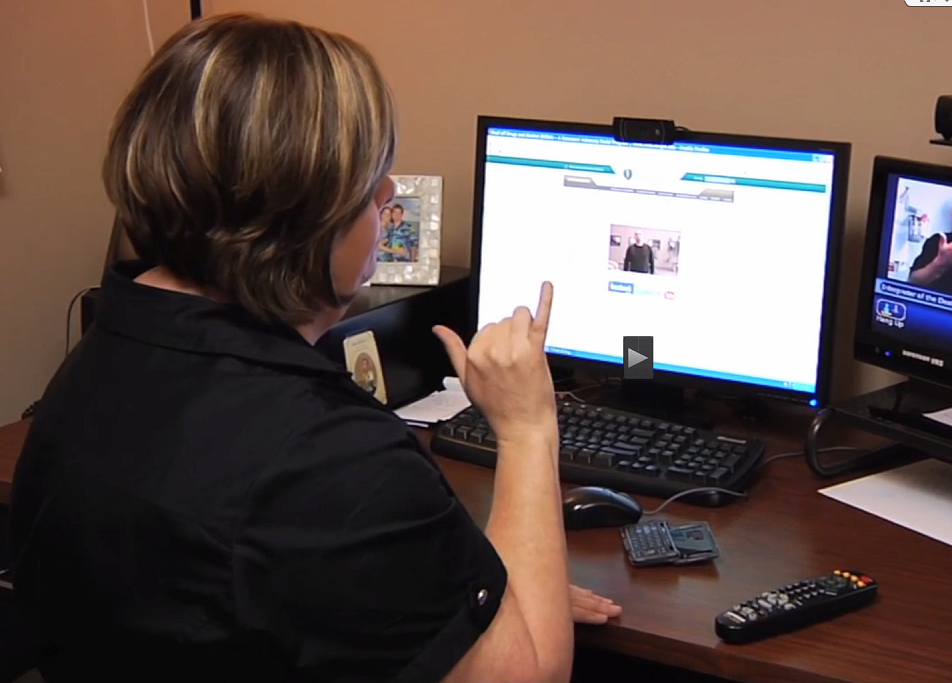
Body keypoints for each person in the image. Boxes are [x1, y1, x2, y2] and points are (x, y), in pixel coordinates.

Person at [7, 13, 618, 683]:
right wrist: (528, 427)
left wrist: (470, 586)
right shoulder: (329, 458)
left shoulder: (102, 354)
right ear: (308, 215)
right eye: (371, 185)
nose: (389, 198)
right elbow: (528, 675)